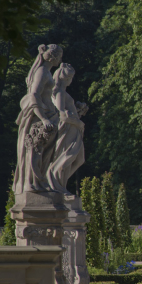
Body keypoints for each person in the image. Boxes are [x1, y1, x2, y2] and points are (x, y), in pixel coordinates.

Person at [13, 44, 62, 194]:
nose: (61, 59)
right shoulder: (42, 72)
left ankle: (39, 181)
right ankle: (32, 183)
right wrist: (43, 118)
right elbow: (34, 94)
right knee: (35, 150)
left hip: (48, 115)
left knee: (44, 152)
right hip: (41, 117)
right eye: (60, 55)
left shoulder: (45, 71)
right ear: (53, 56)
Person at [47, 63, 88, 196]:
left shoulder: (62, 92)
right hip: (69, 128)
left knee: (79, 159)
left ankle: (59, 184)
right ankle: (54, 180)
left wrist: (78, 110)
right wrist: (79, 122)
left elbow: (67, 112)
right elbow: (62, 115)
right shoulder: (59, 92)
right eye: (69, 77)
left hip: (74, 129)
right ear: (64, 78)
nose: (71, 81)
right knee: (67, 157)